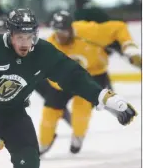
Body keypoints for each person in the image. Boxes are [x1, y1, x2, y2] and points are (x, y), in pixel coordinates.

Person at [0, 8, 137, 168]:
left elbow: (71, 75)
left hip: (12, 114)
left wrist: (102, 96)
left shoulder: (42, 52)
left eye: (29, 36)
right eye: (19, 37)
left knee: (29, 164)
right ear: (10, 34)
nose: (25, 43)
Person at [39, 10, 141, 155]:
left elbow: (119, 27)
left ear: (70, 28)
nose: (60, 36)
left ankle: (78, 136)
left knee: (82, 106)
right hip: (61, 81)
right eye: (57, 32)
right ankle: (43, 143)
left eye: (63, 31)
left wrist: (128, 46)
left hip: (93, 74)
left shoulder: (88, 31)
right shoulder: (50, 46)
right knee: (50, 111)